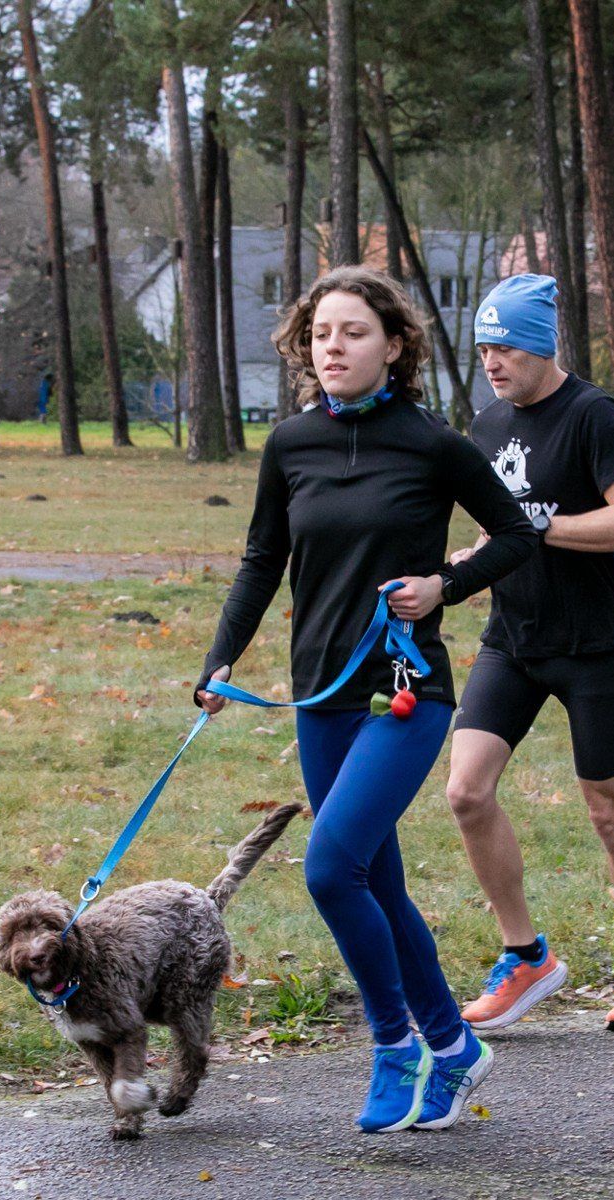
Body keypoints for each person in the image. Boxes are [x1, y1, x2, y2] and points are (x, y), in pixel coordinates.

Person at [194, 266, 539, 1132]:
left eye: (353, 332)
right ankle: (456, 1048)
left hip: (403, 688)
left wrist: (444, 585)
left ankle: (397, 1043)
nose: (334, 347)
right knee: (376, 882)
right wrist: (220, 658)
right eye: (320, 334)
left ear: (394, 345)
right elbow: (262, 560)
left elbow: (517, 534)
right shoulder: (291, 444)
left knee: (328, 865)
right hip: (320, 695)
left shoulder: (430, 442)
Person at [442, 274, 614, 1033]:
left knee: (608, 811)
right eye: (483, 347)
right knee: (466, 792)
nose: (492, 361)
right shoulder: (486, 426)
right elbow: (495, 530)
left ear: (542, 345)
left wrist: (539, 528)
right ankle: (526, 955)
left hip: (592, 646)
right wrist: (461, 565)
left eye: (505, 346)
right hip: (512, 640)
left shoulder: (594, 415)